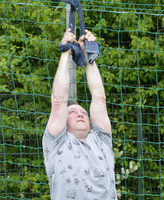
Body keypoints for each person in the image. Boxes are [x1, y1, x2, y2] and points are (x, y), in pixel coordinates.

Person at [42, 28, 117, 200]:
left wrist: (88, 56)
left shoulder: (101, 139)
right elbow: (59, 100)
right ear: (62, 122)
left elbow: (99, 98)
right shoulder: (56, 142)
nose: (80, 114)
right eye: (73, 112)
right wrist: (65, 54)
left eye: (83, 111)